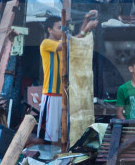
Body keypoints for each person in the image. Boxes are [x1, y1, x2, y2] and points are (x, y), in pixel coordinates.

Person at [38, 11, 98, 144]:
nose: (62, 31)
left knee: (62, 131)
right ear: (49, 30)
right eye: (59, 28)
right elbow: (67, 43)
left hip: (64, 92)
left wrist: (85, 20)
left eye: (63, 28)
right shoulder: (46, 43)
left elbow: (76, 41)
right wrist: (86, 29)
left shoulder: (63, 42)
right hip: (52, 92)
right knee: (51, 134)